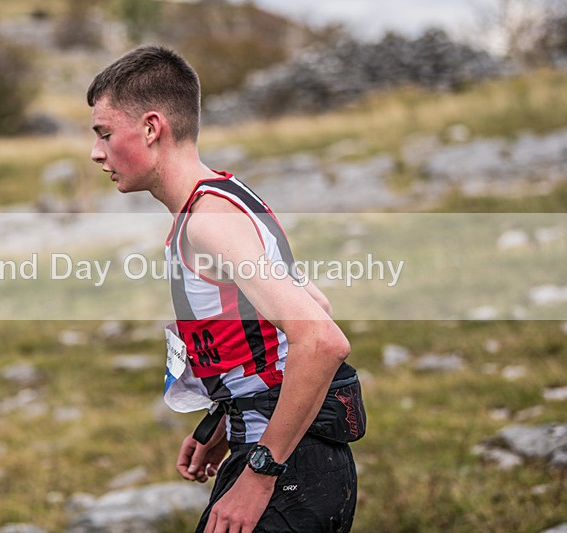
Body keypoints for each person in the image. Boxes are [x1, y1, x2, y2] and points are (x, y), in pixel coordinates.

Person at [88, 45, 359, 533]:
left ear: (151, 128)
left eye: (105, 134)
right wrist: (227, 418)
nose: (96, 152)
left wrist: (260, 477)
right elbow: (314, 303)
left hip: (285, 474)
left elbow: (321, 339)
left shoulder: (209, 221)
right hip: (297, 464)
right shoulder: (225, 198)